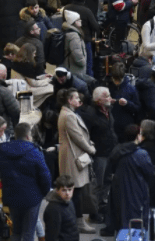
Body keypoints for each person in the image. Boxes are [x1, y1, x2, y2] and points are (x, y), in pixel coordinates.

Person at [0, 122, 51, 241]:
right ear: (28, 136)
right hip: (31, 199)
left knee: (16, 231)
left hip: (12, 198)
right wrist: (43, 193)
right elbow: (45, 176)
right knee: (28, 233)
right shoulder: (35, 152)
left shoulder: (3, 151)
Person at [57, 89, 98, 234]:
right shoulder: (69, 116)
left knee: (75, 189)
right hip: (72, 157)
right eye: (76, 97)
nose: (79, 100)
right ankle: (78, 221)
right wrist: (91, 149)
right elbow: (78, 137)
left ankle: (74, 220)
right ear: (69, 100)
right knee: (76, 189)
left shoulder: (68, 113)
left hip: (71, 155)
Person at [104, 125, 155, 236]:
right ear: (138, 136)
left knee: (121, 223)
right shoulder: (141, 154)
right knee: (136, 225)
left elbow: (109, 171)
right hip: (136, 194)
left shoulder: (116, 151)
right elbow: (150, 173)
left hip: (118, 192)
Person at [44, 175, 79, 241]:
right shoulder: (53, 209)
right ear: (57, 190)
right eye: (64, 190)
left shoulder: (69, 201)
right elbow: (51, 236)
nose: (67, 193)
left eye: (69, 190)